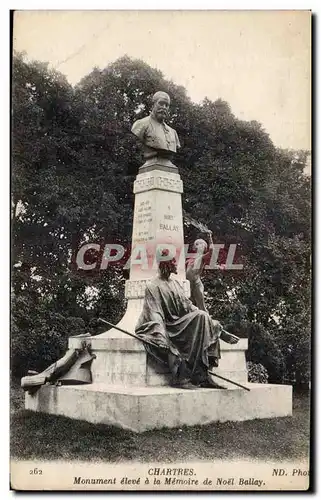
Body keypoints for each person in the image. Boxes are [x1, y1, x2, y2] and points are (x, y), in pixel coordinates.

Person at [135, 251, 235, 389]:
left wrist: (216, 326)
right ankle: (182, 377)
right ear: (166, 263)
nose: (177, 264)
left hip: (180, 323)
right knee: (201, 318)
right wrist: (161, 336)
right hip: (168, 326)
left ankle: (204, 374)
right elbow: (154, 313)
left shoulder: (175, 284)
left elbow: (187, 307)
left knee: (203, 316)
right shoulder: (153, 286)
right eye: (174, 262)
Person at [131, 91, 180, 161]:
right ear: (153, 105)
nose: (164, 107)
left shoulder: (173, 132)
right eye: (161, 103)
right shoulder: (141, 124)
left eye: (166, 105)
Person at [186, 232, 214, 311]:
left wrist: (210, 238)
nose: (199, 245)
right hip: (188, 283)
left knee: (201, 304)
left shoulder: (202, 257)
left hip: (196, 283)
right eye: (197, 244)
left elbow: (211, 251)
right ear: (194, 247)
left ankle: (206, 320)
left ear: (205, 248)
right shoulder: (189, 260)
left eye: (202, 244)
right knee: (188, 304)